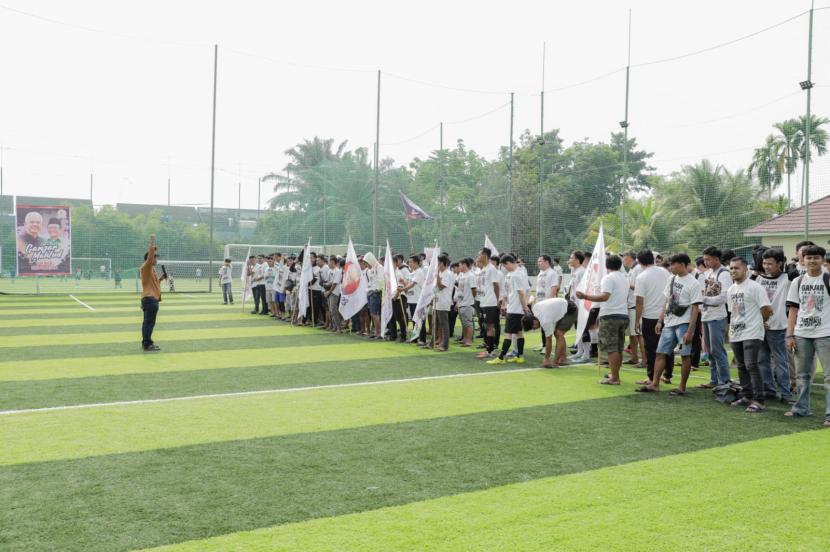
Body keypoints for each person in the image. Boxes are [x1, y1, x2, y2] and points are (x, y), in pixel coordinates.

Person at [637, 253, 702, 394]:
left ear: (683, 265)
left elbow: (695, 308)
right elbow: (666, 302)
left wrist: (690, 331)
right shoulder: (671, 279)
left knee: (685, 355)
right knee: (660, 352)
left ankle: (682, 387)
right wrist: (660, 320)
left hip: (684, 323)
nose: (671, 267)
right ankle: (655, 384)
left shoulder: (693, 283)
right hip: (669, 322)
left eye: (674, 264)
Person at [785, 244, 830, 427]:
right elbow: (793, 310)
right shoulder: (798, 281)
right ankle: (801, 408)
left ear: (823, 260)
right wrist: (789, 335)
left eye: (816, 258)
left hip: (825, 333)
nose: (812, 261)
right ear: (803, 260)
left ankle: (829, 414)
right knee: (802, 375)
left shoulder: (828, 278)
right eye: (808, 258)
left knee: (829, 376)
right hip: (802, 334)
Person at [726, 257, 772, 413]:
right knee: (741, 366)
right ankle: (746, 396)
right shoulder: (731, 289)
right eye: (731, 268)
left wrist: (760, 321)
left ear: (746, 269)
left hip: (752, 332)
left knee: (752, 365)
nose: (733, 271)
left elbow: (767, 309)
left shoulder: (755, 287)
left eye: (736, 268)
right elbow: (733, 312)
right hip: (736, 332)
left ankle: (759, 400)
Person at [576, 254, 629, 384]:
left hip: (611, 316)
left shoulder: (608, 278)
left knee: (612, 348)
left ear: (606, 265)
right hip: (623, 315)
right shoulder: (624, 277)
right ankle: (614, 373)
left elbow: (605, 297)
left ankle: (615, 378)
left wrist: (585, 296)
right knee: (618, 347)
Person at [756, 248, 793, 403]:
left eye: (770, 264)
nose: (766, 267)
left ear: (779, 263)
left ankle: (786, 394)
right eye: (764, 263)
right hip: (760, 327)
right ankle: (769, 390)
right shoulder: (759, 280)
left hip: (778, 327)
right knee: (762, 360)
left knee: (781, 362)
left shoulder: (788, 279)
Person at [634, 249, 671, 384]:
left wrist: (637, 320)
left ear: (639, 262)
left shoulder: (642, 277)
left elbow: (639, 301)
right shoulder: (665, 272)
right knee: (667, 346)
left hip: (650, 316)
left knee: (651, 348)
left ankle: (651, 377)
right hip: (666, 314)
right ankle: (667, 375)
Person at [699, 246, 732, 388]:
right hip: (706, 316)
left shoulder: (724, 274)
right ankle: (714, 380)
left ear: (717, 259)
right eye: (705, 259)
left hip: (717, 317)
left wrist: (704, 300)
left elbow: (724, 297)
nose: (705, 262)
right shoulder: (708, 274)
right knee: (710, 351)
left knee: (717, 350)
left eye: (708, 259)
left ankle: (724, 381)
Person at [488, 254, 529, 364]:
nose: (505, 268)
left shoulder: (517, 275)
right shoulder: (510, 275)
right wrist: (504, 304)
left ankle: (501, 358)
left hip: (515, 309)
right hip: (512, 308)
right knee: (519, 333)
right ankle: (520, 357)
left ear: (509, 263)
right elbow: (507, 292)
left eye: (505, 266)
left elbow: (521, 292)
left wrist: (525, 308)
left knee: (508, 333)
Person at [529, 297, 577, 368]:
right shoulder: (535, 309)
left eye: (533, 327)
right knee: (558, 333)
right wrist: (547, 359)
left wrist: (546, 359)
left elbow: (549, 341)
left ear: (534, 321)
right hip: (563, 307)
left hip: (571, 310)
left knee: (558, 333)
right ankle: (563, 359)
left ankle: (556, 362)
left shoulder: (545, 321)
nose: (534, 329)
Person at [139, 234, 166, 352]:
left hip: (149, 299)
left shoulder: (151, 270)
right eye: (155, 257)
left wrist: (161, 278)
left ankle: (146, 342)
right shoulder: (146, 267)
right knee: (149, 323)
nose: (156, 259)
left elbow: (154, 285)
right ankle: (147, 344)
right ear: (149, 259)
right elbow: (150, 254)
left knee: (147, 323)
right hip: (150, 299)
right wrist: (152, 241)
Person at [475, 248, 501, 359]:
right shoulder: (483, 269)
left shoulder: (491, 269)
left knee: (490, 326)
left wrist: (497, 301)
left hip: (490, 302)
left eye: (479, 254)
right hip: (483, 302)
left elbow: (496, 286)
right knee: (486, 326)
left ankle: (490, 351)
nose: (478, 256)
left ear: (485, 255)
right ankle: (489, 349)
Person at [622, 250, 642, 366]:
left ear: (630, 257)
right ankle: (634, 357)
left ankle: (644, 359)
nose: (623, 259)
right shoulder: (632, 269)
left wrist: (626, 284)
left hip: (635, 305)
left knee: (638, 334)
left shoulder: (638, 269)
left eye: (624, 256)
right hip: (630, 305)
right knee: (632, 335)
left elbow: (639, 287)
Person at [535, 255, 558, 352]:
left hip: (547, 303)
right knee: (542, 325)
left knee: (548, 325)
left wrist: (550, 302)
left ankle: (548, 347)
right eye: (538, 261)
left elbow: (554, 288)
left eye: (540, 261)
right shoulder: (540, 273)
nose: (538, 263)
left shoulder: (552, 273)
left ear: (547, 262)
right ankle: (544, 344)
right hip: (540, 303)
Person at [434, 254, 455, 351]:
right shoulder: (442, 273)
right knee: (438, 323)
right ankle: (438, 342)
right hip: (438, 300)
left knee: (444, 324)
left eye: (438, 262)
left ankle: (445, 345)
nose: (437, 265)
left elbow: (441, 286)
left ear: (442, 263)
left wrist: (437, 275)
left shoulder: (448, 273)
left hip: (444, 301)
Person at [455, 258, 477, 347]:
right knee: (464, 323)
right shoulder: (462, 275)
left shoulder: (470, 276)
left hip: (467, 302)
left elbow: (474, 289)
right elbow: (459, 289)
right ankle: (464, 338)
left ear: (464, 265)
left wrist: (472, 299)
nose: (459, 267)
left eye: (460, 265)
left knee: (468, 322)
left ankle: (469, 341)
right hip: (461, 302)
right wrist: (457, 302)